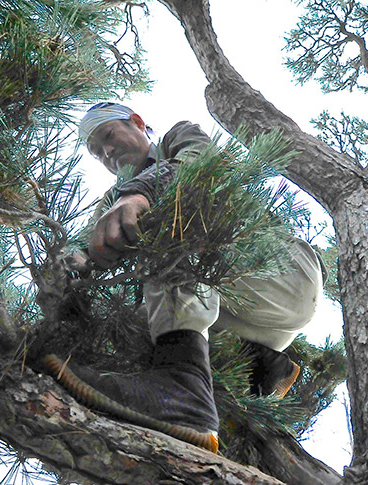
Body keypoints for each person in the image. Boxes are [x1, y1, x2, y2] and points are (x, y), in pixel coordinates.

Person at [46, 103, 325, 454]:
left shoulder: (178, 137)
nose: (107, 152)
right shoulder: (111, 201)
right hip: (247, 322)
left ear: (137, 122)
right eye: (97, 152)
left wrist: (140, 195)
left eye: (108, 136)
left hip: (282, 274)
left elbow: (199, 164)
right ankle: (258, 370)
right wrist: (70, 270)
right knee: (127, 319)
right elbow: (87, 252)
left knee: (163, 219)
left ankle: (183, 392)